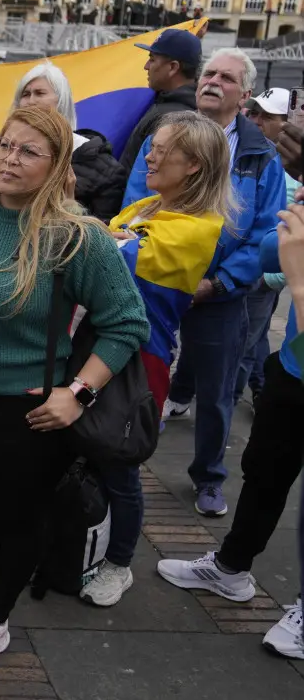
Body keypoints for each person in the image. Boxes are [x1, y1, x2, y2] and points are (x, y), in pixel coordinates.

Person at [0, 107, 147, 674]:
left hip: (34, 411)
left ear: (57, 163)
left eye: (27, 151)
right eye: (4, 146)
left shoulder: (77, 238)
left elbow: (127, 324)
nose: (10, 160)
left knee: (20, 517)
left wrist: (79, 393)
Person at [123, 48, 287, 517]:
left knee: (217, 392)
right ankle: (123, 456)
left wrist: (218, 282)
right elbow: (141, 197)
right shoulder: (168, 135)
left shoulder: (261, 156)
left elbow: (264, 233)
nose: (213, 81)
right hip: (155, 282)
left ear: (246, 94)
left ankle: (209, 477)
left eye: (227, 77)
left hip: (218, 292)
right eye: (209, 73)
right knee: (136, 375)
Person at [81, 113, 234, 608]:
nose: (150, 155)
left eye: (162, 148)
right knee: (82, 449)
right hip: (99, 345)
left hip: (140, 361)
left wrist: (66, 207)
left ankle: (119, 563)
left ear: (193, 165)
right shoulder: (149, 205)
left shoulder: (197, 227)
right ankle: (79, 540)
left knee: (120, 463)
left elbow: (110, 252)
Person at [157, 185, 304, 660]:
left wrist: (298, 275)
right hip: (296, 367)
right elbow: (269, 254)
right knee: (264, 473)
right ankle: (231, 569)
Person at [233, 87, 292, 407]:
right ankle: (260, 388)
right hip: (248, 270)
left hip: (267, 278)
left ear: (288, 122)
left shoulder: (290, 169)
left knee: (245, 345)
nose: (256, 121)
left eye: (266, 116)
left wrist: (273, 279)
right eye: (253, 113)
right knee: (254, 339)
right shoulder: (254, 154)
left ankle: (239, 394)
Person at [11, 61, 125, 222]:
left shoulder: (104, 168)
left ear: (61, 100)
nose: (30, 101)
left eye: (39, 93)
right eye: (25, 94)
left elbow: (103, 235)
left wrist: (67, 207)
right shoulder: (3, 153)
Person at [119, 28, 201, 170]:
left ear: (173, 67)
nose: (146, 66)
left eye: (152, 59)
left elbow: (148, 179)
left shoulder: (172, 120)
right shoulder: (168, 104)